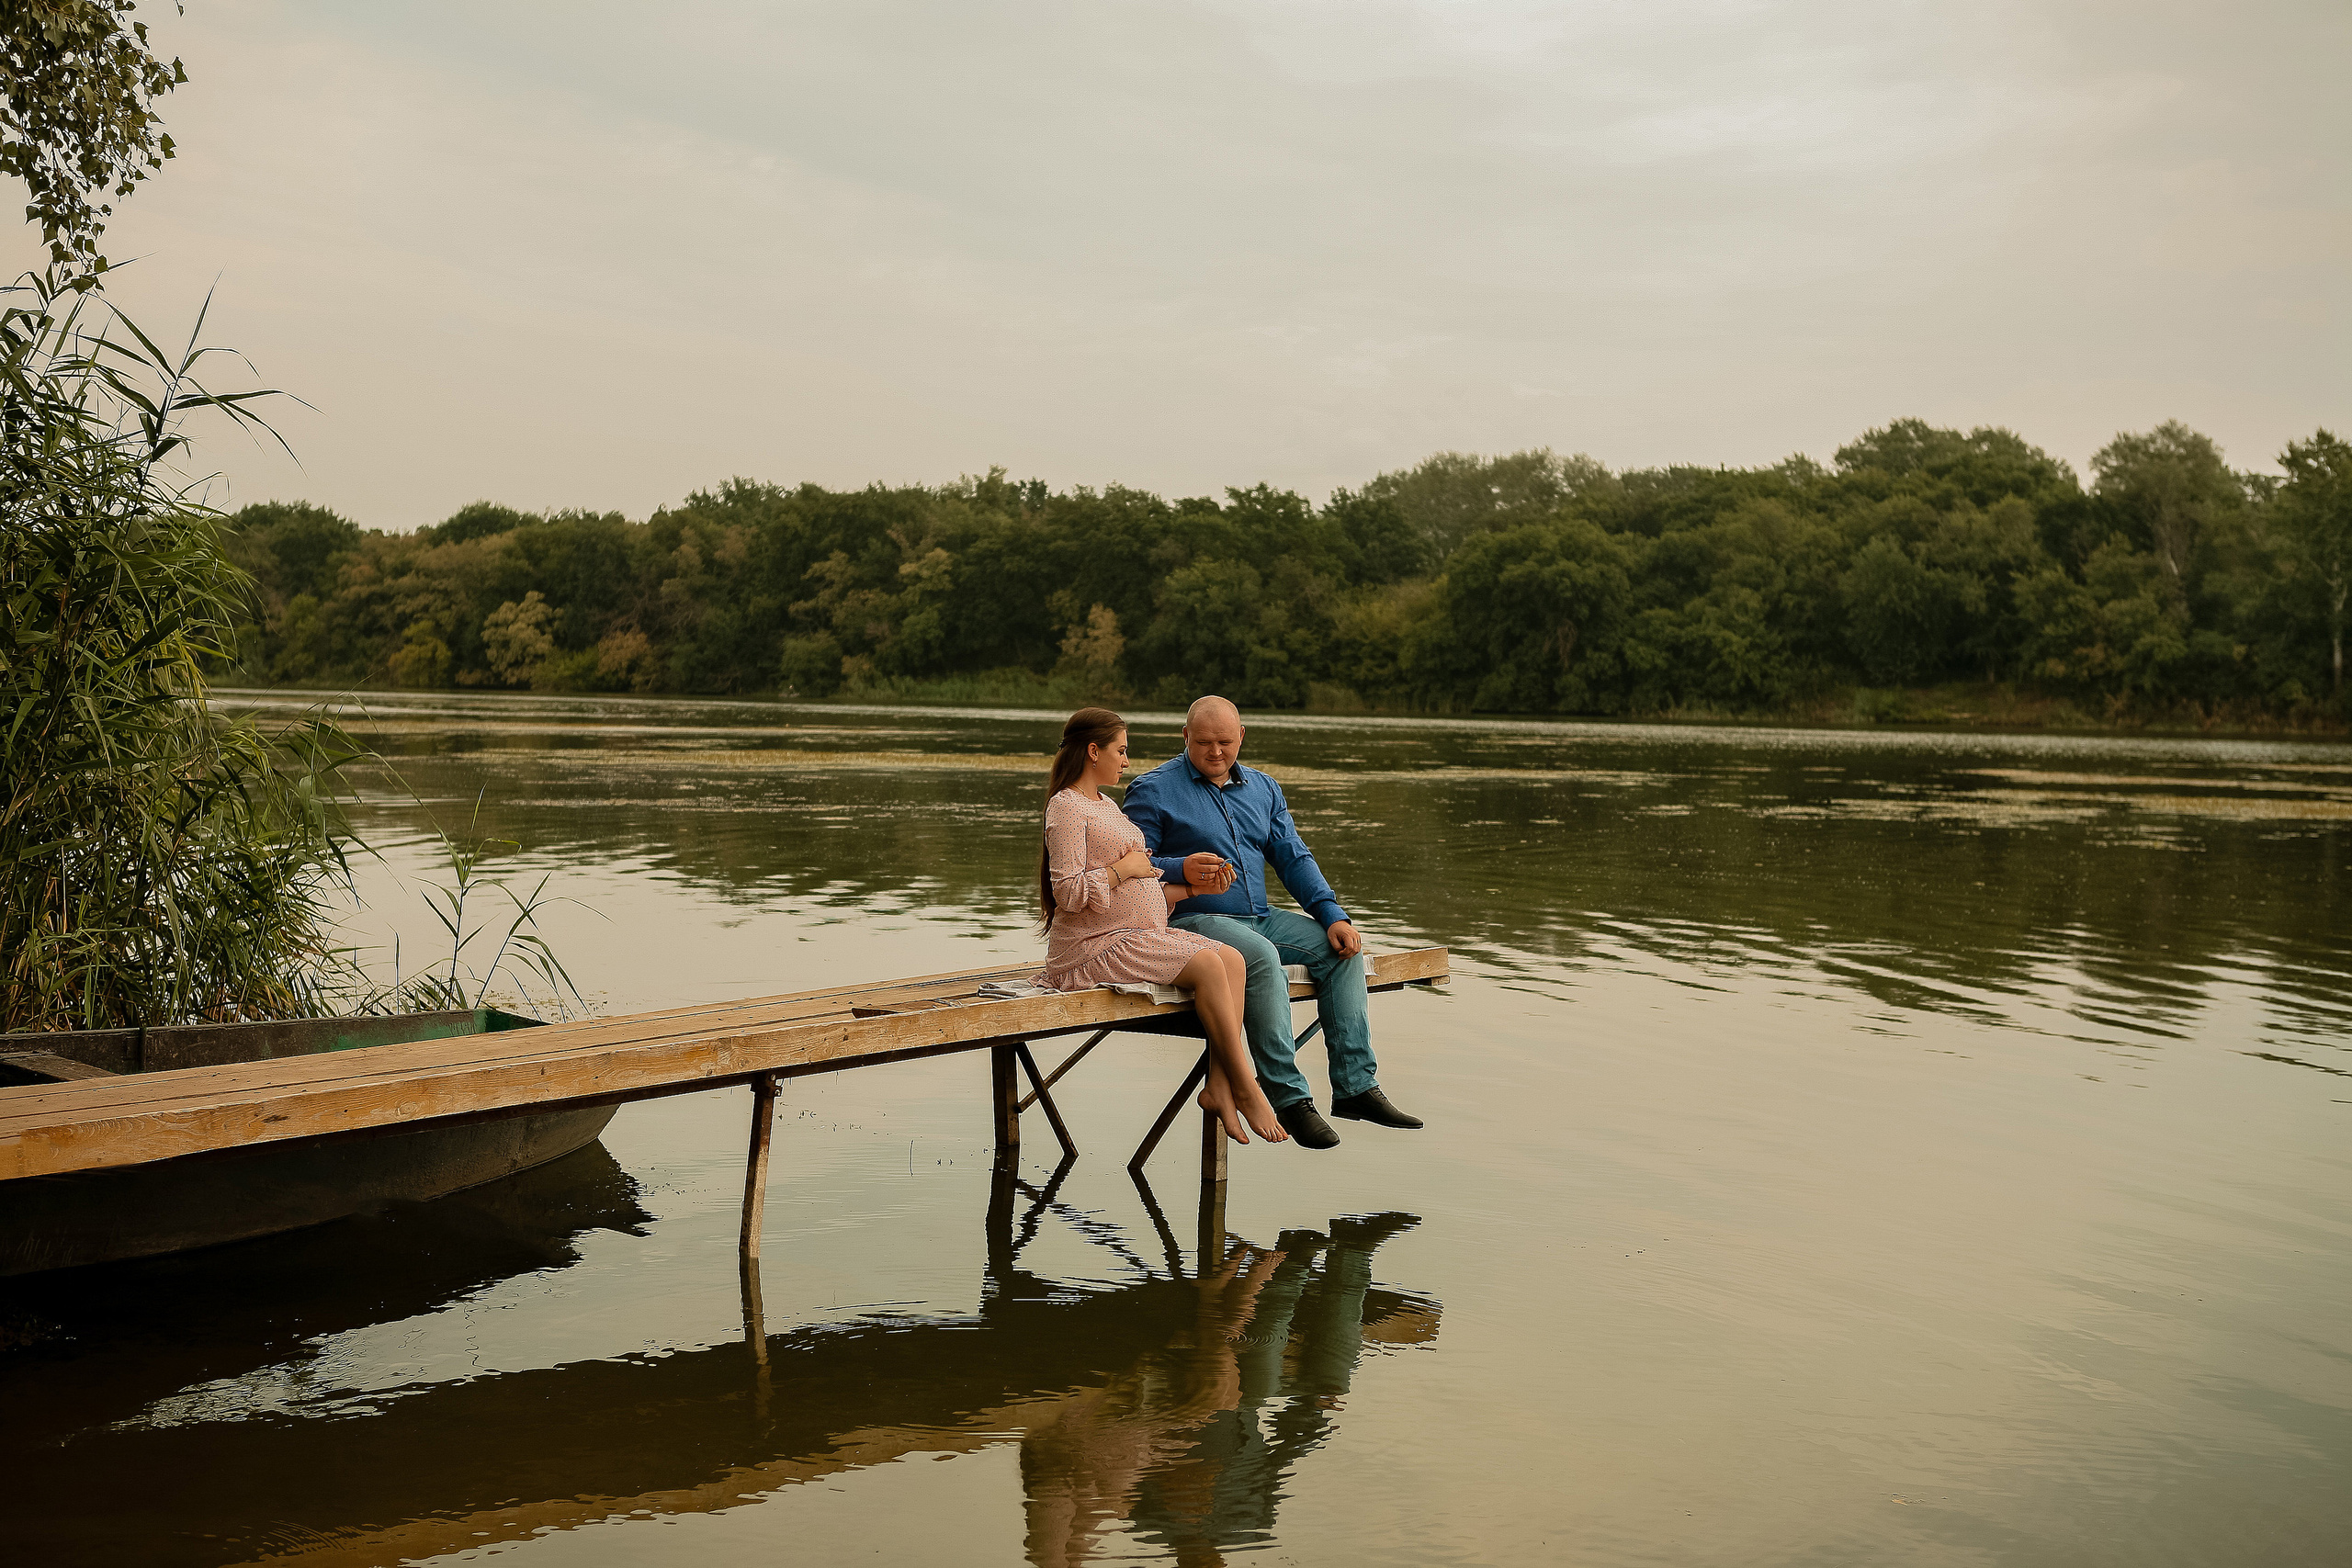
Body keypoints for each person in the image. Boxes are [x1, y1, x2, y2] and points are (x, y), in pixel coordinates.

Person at [1120, 694, 1422, 1150]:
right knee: (1259, 958)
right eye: (1204, 742)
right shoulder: (1153, 789)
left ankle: (1356, 1086)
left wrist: (1333, 915)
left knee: (1339, 950)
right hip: (1191, 920)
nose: (1215, 751)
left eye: (1225, 742)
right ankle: (1289, 1098)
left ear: (1241, 737)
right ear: (1185, 737)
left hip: (1261, 917)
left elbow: (1293, 858)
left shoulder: (1264, 788)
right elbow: (1131, 864)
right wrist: (1183, 867)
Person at [1036, 706, 1288, 1146]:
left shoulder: (1106, 805)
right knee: (1208, 965)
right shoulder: (1066, 807)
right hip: (1094, 947)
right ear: (1093, 752)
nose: (1127, 761)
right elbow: (1068, 894)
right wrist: (1123, 869)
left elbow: (1141, 887)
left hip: (1139, 934)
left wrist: (1193, 889)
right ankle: (1247, 1085)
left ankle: (1219, 1086)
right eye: (1121, 751)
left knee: (1232, 960)